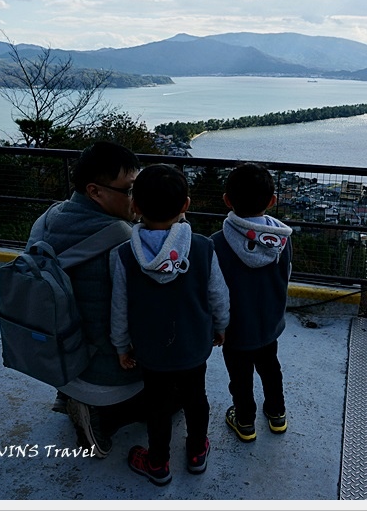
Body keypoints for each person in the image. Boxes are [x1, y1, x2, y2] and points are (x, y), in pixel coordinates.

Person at [110, 163, 229, 486]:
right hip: (194, 346)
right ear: (186, 206)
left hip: (151, 351)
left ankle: (158, 463)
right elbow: (218, 295)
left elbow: (119, 307)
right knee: (196, 399)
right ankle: (195, 453)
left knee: (157, 407)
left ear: (134, 206)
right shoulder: (204, 247)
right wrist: (221, 326)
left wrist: (121, 345)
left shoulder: (123, 255)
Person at [24, 141, 145, 460]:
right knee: (174, 398)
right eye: (130, 189)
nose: (138, 198)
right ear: (95, 191)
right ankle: (104, 417)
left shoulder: (45, 220)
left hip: (58, 361)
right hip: (110, 373)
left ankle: (69, 396)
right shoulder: (125, 241)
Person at [210, 162, 293, 443]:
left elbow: (215, 293)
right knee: (271, 369)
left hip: (234, 331)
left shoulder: (216, 244)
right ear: (272, 201)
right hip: (269, 323)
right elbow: (285, 278)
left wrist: (217, 326)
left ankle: (245, 421)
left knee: (240, 377)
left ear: (227, 201)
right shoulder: (283, 240)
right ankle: (277, 413)